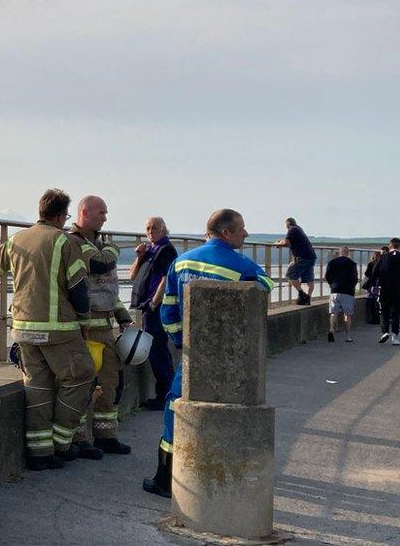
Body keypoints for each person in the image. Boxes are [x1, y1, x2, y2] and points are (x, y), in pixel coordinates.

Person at [142, 209, 273, 498]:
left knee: (175, 410)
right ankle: (223, 478)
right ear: (226, 233)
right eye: (241, 229)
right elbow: (265, 288)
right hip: (229, 354)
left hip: (191, 351)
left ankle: (164, 479)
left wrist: (179, 339)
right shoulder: (242, 266)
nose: (246, 234)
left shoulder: (180, 261)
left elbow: (168, 308)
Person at [0, 189, 95, 471]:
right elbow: (78, 289)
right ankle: (61, 442)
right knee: (81, 376)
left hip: (23, 328)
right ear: (61, 216)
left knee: (37, 387)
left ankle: (40, 453)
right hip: (58, 329)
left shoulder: (16, 240)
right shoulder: (63, 241)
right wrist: (83, 320)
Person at [66, 195, 134, 456]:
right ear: (84, 213)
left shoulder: (100, 245)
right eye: (101, 213)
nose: (105, 218)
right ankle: (80, 439)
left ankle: (106, 435)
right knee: (83, 385)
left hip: (106, 327)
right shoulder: (74, 243)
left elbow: (110, 290)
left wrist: (123, 316)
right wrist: (114, 251)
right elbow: (97, 265)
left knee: (110, 383)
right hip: (84, 329)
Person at [129, 217, 178, 411]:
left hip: (155, 308)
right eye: (148, 228)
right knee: (155, 350)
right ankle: (164, 395)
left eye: (155, 228)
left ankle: (165, 396)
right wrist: (139, 257)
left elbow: (166, 278)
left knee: (158, 351)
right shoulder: (149, 250)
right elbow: (133, 275)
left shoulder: (166, 249)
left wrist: (153, 303)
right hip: (146, 307)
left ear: (164, 230)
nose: (151, 231)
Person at [274, 218, 316, 305]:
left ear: (287, 225)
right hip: (311, 257)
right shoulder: (299, 229)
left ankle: (302, 294)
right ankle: (307, 298)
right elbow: (290, 243)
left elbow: (286, 242)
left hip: (302, 257)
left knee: (290, 275)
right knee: (309, 279)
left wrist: (278, 243)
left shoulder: (292, 230)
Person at [374, 238, 400, 345]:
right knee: (396, 313)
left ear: (390, 246)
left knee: (384, 310)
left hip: (385, 288)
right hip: (397, 289)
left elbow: (374, 272)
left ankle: (384, 332)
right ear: (399, 246)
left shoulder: (383, 257)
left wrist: (380, 281)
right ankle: (394, 337)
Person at [324, 246, 358, 342]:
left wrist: (332, 284)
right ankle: (348, 336)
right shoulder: (352, 264)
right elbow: (355, 278)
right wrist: (352, 286)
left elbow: (327, 276)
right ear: (348, 253)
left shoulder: (332, 262)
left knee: (333, 312)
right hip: (348, 291)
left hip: (335, 290)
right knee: (347, 315)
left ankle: (331, 329)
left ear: (339, 252)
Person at [363, 249, 387, 325]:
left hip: (371, 285)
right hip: (379, 285)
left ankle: (371, 319)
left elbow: (367, 274)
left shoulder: (371, 264)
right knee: (377, 302)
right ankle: (377, 319)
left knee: (370, 302)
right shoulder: (382, 264)